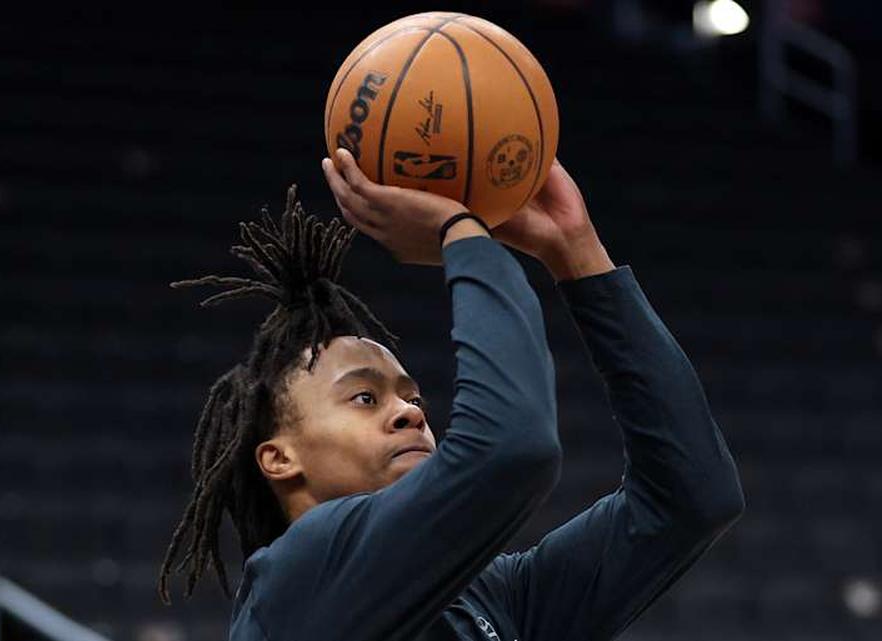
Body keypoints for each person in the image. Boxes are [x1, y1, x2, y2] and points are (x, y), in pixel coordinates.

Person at [157, 147, 745, 641]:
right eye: (364, 398)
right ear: (279, 458)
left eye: (414, 399)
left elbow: (693, 497)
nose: (408, 413)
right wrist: (461, 233)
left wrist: (576, 251)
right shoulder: (301, 576)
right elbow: (513, 448)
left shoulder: (495, 597)